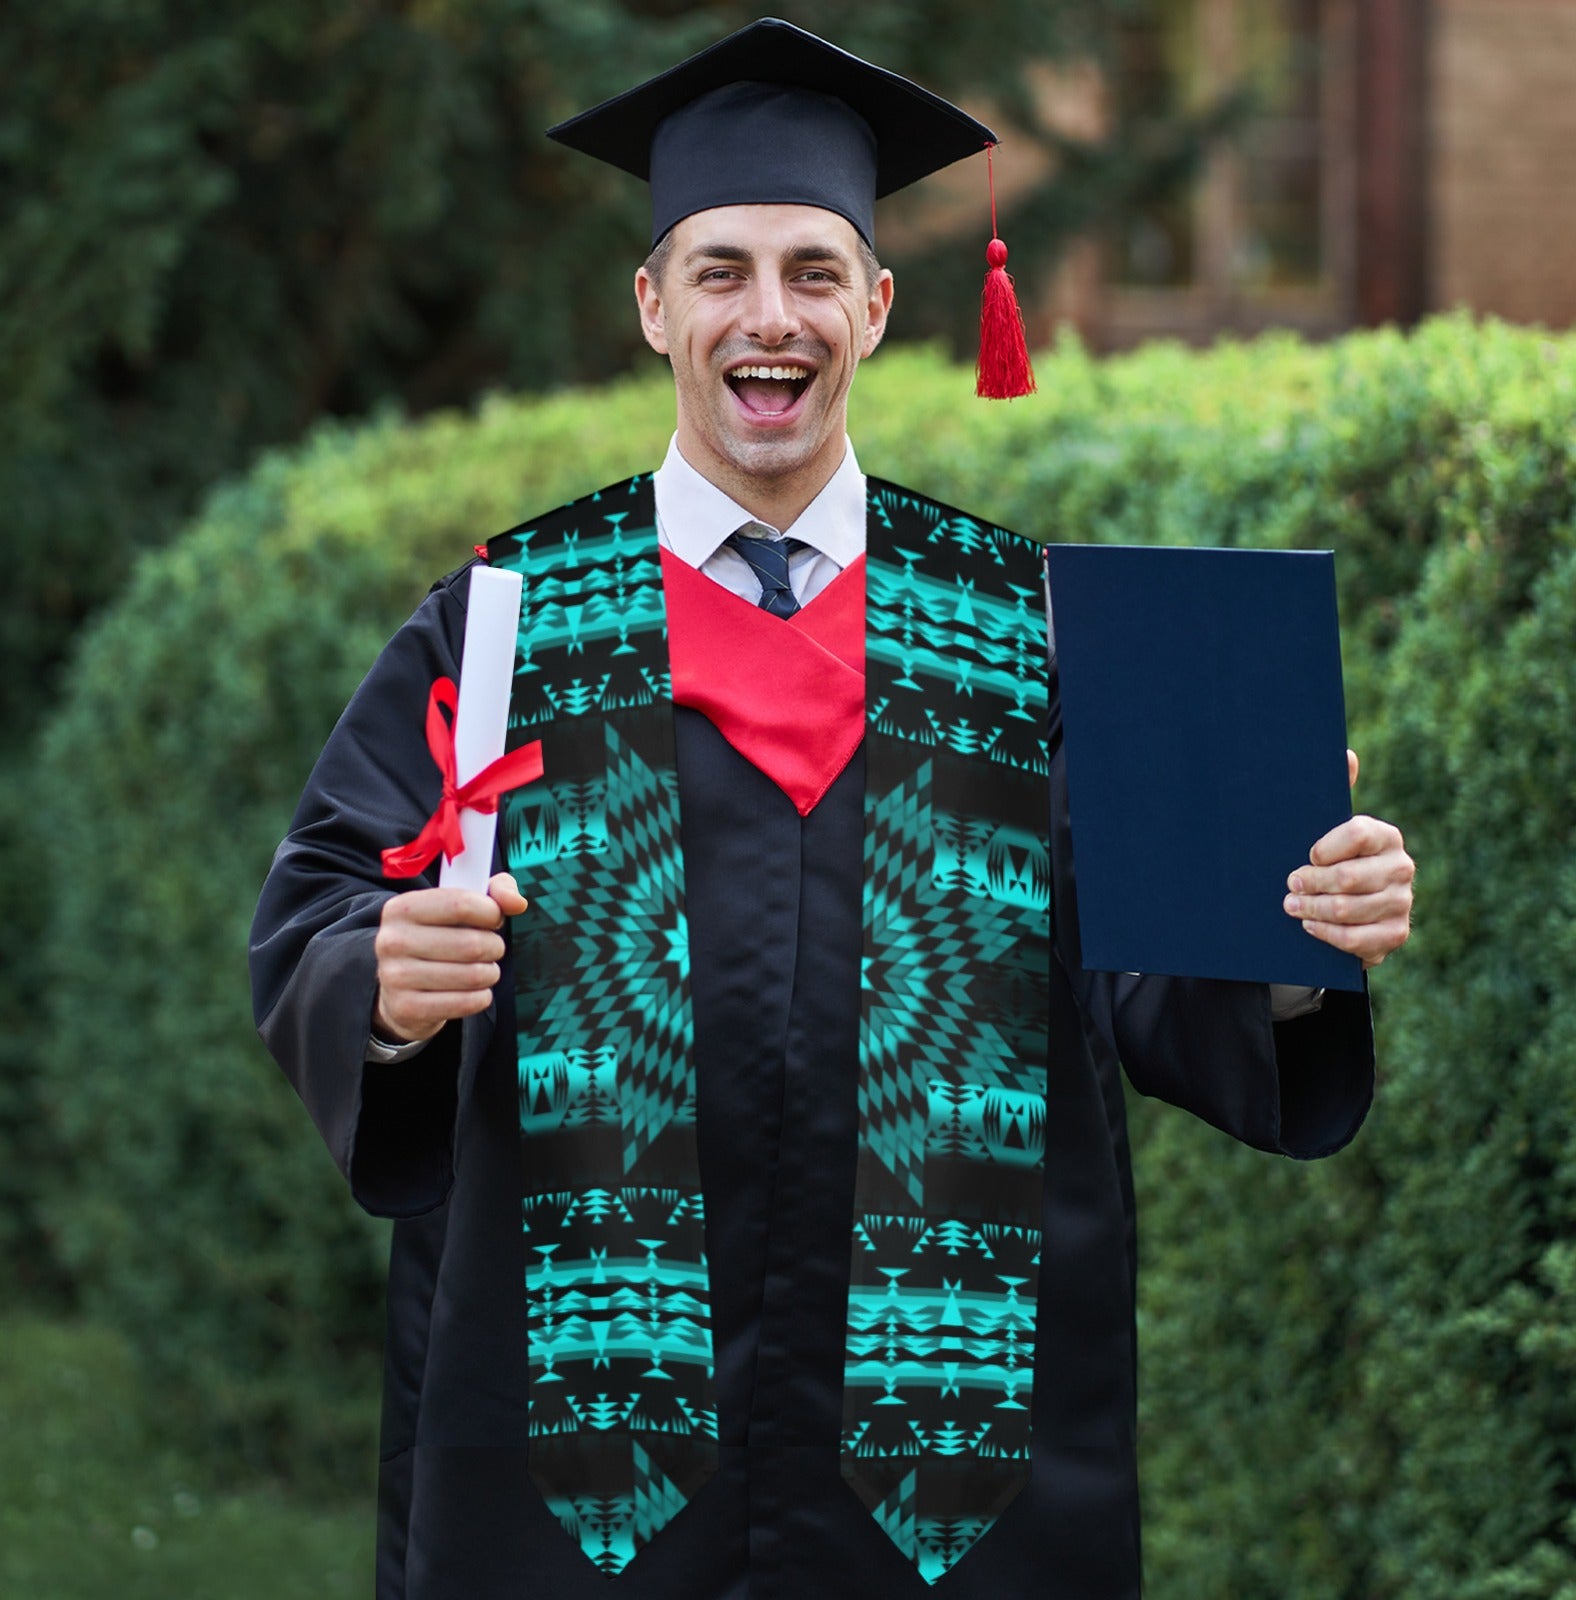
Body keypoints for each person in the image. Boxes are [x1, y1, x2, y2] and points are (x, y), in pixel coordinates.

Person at [249, 19, 1414, 1600]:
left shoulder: (1028, 631)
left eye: (812, 270)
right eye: (721, 270)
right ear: (654, 305)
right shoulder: (512, 623)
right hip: (584, 1453)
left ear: (876, 305)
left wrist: (1292, 935)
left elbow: (1150, 976)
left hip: (954, 1456)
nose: (768, 316)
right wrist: (379, 985)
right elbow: (324, 901)